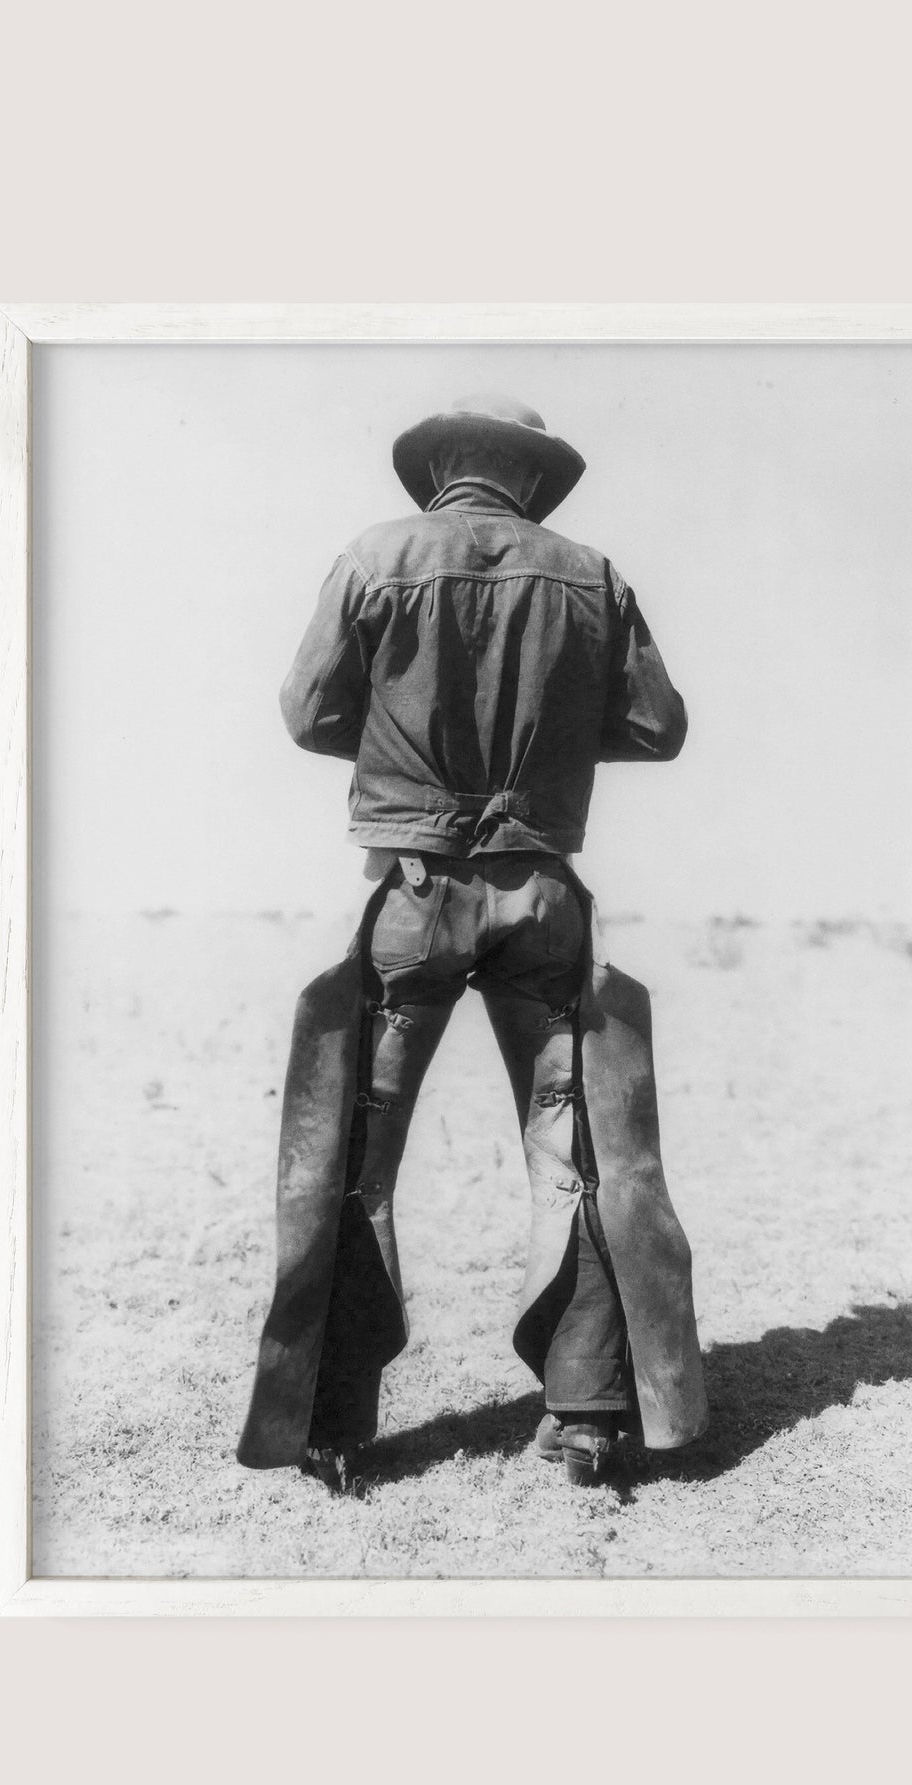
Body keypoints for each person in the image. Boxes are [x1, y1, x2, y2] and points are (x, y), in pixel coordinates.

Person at [235, 394, 707, 1487]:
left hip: (411, 893)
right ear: (531, 478)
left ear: (440, 468)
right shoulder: (590, 572)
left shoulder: (374, 553)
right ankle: (588, 1420)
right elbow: (656, 726)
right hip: (542, 894)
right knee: (580, 1155)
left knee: (353, 1157)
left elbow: (308, 714)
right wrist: (544, 745)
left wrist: (410, 750)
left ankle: (331, 1427)